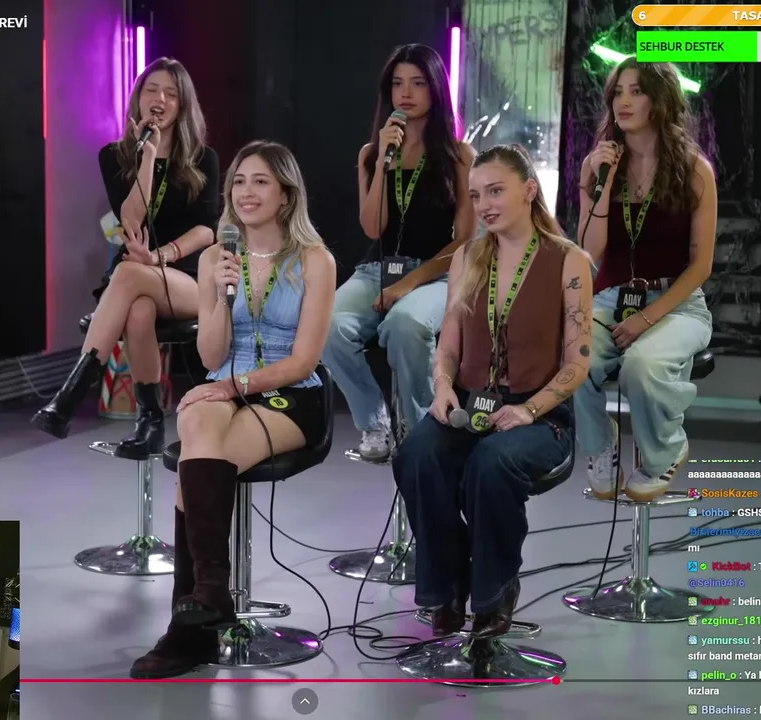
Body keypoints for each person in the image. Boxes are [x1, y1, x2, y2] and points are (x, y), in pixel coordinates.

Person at [128, 140, 336, 679]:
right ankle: (210, 594)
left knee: (195, 460)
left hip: (292, 393)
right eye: (239, 181)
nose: (246, 192)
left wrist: (232, 387)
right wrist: (220, 296)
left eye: (260, 181)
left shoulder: (316, 260)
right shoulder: (214, 259)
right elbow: (209, 356)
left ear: (286, 194)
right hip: (226, 381)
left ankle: (189, 628)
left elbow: (303, 360)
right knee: (198, 421)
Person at [393, 144, 590, 637]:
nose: (484, 205)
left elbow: (578, 362)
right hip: (469, 402)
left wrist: (529, 411)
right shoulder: (467, 257)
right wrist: (442, 388)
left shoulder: (568, 261)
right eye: (477, 195)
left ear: (529, 191)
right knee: (417, 453)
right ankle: (449, 584)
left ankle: (493, 593)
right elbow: (449, 344)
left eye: (496, 191)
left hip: (541, 416)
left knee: (492, 462)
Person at [33, 57, 221, 457]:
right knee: (138, 309)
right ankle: (150, 423)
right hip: (136, 274)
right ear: (138, 99)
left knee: (131, 273)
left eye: (171, 94)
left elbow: (208, 229)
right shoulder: (114, 156)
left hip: (188, 277)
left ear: (182, 106)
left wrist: (162, 256)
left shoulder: (203, 159)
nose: (160, 100)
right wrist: (148, 157)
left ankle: (69, 396)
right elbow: (132, 221)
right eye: (152, 90)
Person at [322, 43, 476, 462]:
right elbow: (373, 228)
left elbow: (465, 241)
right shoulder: (373, 154)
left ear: (436, 89)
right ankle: (375, 423)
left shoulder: (459, 155)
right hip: (377, 269)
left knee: (406, 325)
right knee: (328, 327)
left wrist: (408, 284)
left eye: (418, 83)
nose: (405, 93)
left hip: (436, 273)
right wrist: (382, 166)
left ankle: (421, 431)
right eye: (397, 84)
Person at [573, 57, 716, 501]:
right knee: (573, 355)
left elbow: (701, 266)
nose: (624, 101)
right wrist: (599, 182)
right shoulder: (598, 166)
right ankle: (601, 446)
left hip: (677, 303)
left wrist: (647, 318)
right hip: (612, 298)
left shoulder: (694, 170)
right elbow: (588, 251)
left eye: (636, 91)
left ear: (660, 100)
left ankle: (666, 449)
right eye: (618, 92)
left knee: (641, 365)